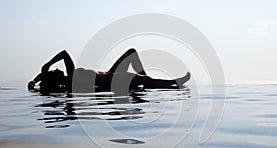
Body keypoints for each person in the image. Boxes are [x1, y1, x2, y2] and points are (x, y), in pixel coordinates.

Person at [28, 48, 190, 94]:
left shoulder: (68, 79)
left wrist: (35, 81)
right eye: (55, 71)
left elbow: (44, 74)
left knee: (131, 53)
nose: (57, 69)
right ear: (56, 79)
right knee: (139, 81)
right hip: (112, 80)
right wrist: (47, 66)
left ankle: (146, 79)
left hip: (109, 74)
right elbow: (64, 53)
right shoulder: (71, 78)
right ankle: (173, 83)